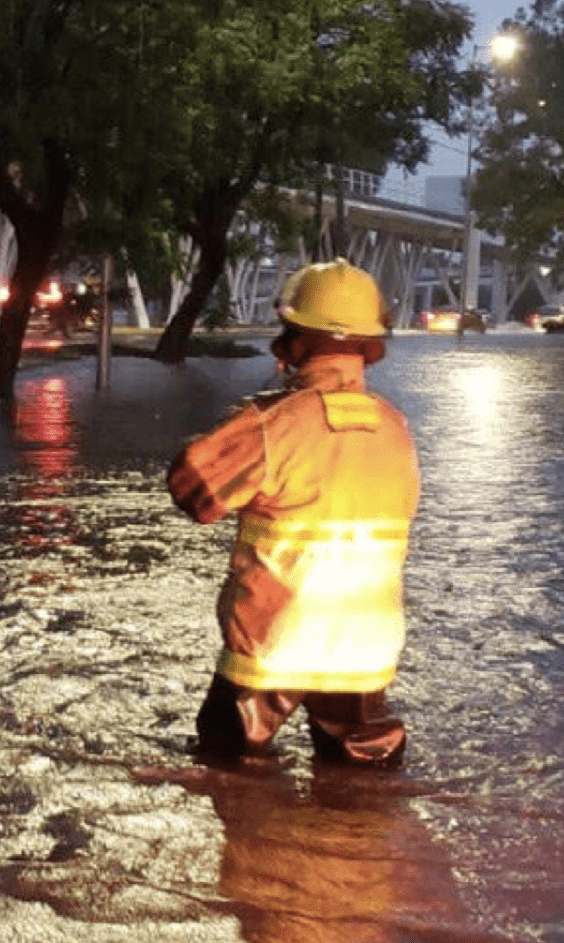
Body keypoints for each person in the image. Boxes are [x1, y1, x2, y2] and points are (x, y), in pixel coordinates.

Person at [167, 259, 421, 767]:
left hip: (273, 648)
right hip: (366, 650)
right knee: (365, 786)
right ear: (368, 346)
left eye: (288, 332)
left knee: (228, 772)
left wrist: (232, 429)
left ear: (299, 339)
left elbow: (192, 489)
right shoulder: (397, 429)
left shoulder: (272, 424)